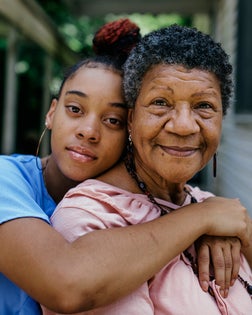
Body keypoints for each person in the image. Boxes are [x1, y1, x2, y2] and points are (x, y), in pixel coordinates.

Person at [0, 19, 249, 314]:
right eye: (75, 109)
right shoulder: (19, 185)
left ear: (128, 126)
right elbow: (66, 282)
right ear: (52, 112)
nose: (89, 131)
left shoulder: (184, 202)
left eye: (112, 120)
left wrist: (223, 223)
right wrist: (204, 217)